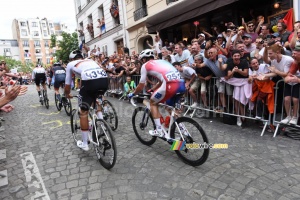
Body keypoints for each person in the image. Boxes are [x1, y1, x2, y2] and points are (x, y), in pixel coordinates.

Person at [127, 49, 185, 139]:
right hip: (181, 84)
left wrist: (133, 93)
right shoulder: (161, 61)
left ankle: (159, 130)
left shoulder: (145, 66)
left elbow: (141, 84)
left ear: (143, 60)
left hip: (169, 85)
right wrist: (153, 89)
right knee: (169, 107)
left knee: (152, 103)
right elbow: (162, 80)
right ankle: (182, 129)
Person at [64, 50, 109, 151]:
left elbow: (67, 84)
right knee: (96, 100)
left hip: (90, 82)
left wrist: (67, 94)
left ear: (71, 59)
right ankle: (102, 125)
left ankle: (85, 143)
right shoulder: (90, 61)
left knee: (83, 111)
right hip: (104, 80)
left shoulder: (71, 64)